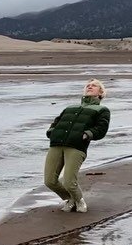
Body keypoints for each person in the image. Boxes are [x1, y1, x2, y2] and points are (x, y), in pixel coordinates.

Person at [44, 78, 111, 212]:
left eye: (94, 86)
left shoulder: (102, 110)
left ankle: (79, 200)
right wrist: (52, 132)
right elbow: (56, 122)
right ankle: (70, 199)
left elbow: (101, 129)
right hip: (57, 144)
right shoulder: (70, 108)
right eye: (88, 85)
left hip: (76, 147)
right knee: (49, 181)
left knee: (69, 181)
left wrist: (86, 135)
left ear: (100, 92)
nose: (90, 87)